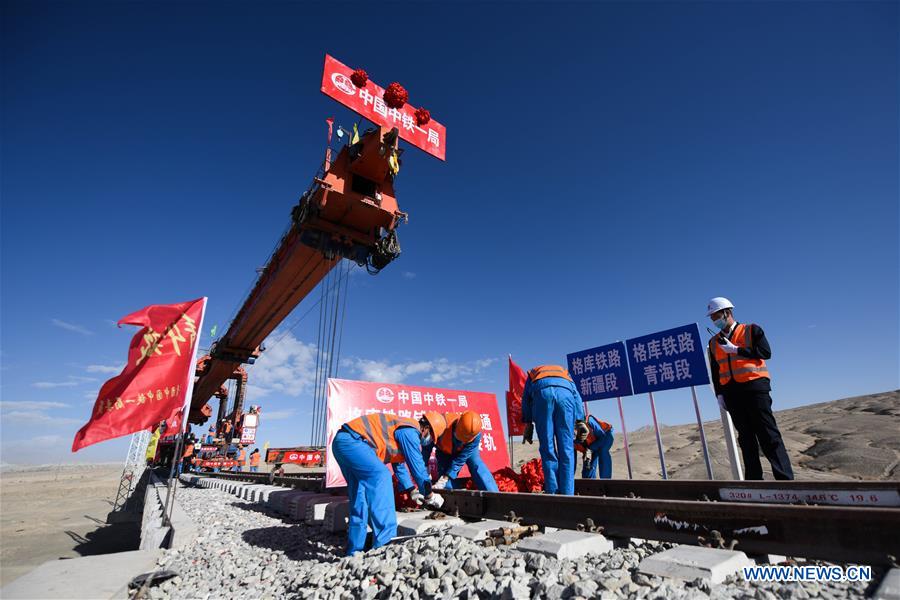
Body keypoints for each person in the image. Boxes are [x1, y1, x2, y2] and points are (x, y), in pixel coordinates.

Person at [331, 412, 445, 555]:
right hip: (354, 443)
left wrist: (412, 491)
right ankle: (385, 543)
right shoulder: (410, 431)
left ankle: (354, 550)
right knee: (382, 476)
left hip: (343, 443)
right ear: (426, 428)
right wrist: (429, 495)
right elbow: (418, 468)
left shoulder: (402, 430)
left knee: (359, 497)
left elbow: (400, 467)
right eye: (432, 437)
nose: (429, 441)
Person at [707, 297, 794, 480]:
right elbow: (715, 371)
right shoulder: (714, 343)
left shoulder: (752, 330)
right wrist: (719, 394)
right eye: (712, 318)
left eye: (717, 316)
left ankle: (785, 480)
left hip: (755, 388)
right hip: (731, 393)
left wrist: (737, 350)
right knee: (746, 439)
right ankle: (754, 480)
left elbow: (765, 352)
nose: (715, 321)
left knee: (768, 435)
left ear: (727, 313)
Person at [521, 364, 586, 495]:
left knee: (547, 448)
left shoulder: (532, 373)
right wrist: (580, 420)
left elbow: (526, 399)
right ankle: (568, 493)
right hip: (565, 395)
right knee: (567, 448)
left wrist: (528, 423)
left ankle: (552, 493)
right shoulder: (565, 372)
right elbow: (576, 395)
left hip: (542, 396)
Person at [421, 411, 499, 492]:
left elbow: (460, 460)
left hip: (465, 452)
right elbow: (426, 448)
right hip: (443, 451)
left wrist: (446, 477)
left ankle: (494, 494)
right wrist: (424, 469)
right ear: (458, 423)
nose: (460, 440)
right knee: (445, 485)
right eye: (458, 436)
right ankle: (455, 491)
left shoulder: (475, 436)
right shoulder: (442, 423)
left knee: (476, 464)